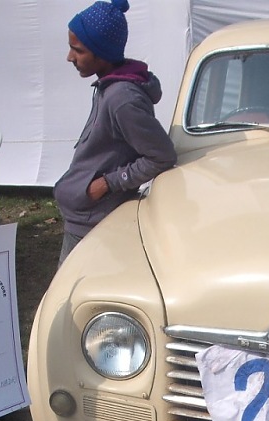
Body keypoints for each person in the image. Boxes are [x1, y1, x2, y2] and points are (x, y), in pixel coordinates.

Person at [55, 0, 176, 265]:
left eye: (78, 50)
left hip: (93, 225)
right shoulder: (109, 88)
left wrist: (108, 183)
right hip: (83, 218)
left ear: (102, 52)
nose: (70, 57)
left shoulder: (122, 98)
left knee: (71, 303)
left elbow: (162, 156)